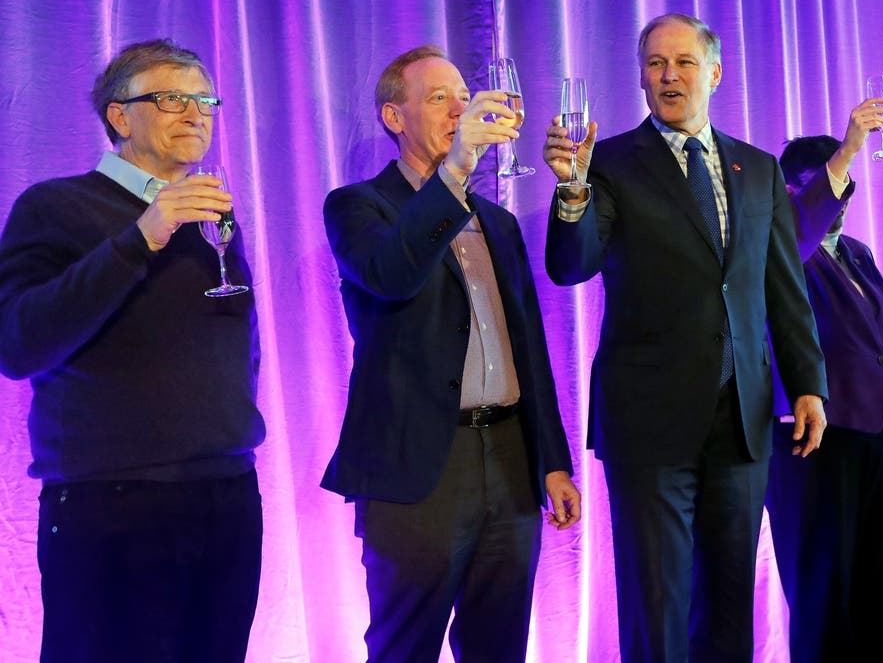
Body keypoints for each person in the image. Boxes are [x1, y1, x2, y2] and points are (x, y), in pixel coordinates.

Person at [542, 13, 828, 662]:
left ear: (715, 73)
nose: (669, 75)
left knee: (731, 598)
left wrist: (808, 384)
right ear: (641, 77)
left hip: (744, 416)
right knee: (659, 600)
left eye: (684, 62)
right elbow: (571, 265)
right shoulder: (608, 161)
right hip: (650, 421)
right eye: (654, 63)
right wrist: (573, 189)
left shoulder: (755, 168)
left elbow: (782, 288)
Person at [0, 39, 266, 663]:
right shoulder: (55, 205)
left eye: (204, 99)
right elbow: (17, 344)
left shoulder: (212, 214)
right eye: (172, 98)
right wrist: (142, 235)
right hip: (112, 501)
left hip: (227, 491)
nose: (196, 112)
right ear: (120, 116)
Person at [321, 45, 581, 663]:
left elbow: (531, 352)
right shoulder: (358, 206)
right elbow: (392, 275)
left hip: (511, 457)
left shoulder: (497, 220)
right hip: (420, 467)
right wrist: (456, 169)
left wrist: (551, 460)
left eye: (464, 97)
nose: (461, 109)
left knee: (500, 642)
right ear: (394, 117)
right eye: (439, 98)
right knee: (404, 643)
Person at [767, 102, 883, 663]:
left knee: (880, 583)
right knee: (822, 590)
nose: (836, 199)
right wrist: (850, 146)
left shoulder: (858, 251)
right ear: (786, 191)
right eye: (819, 185)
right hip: (816, 437)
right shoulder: (777, 249)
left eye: (841, 185)